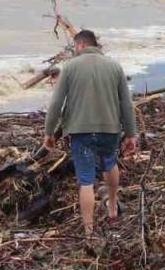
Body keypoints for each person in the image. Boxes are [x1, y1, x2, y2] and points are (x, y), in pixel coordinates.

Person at [42, 30, 138, 234]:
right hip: (109, 129)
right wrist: (131, 134)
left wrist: (49, 132)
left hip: (81, 131)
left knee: (86, 180)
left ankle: (89, 230)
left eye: (75, 47)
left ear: (81, 45)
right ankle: (112, 205)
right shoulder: (114, 66)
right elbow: (126, 104)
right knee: (109, 163)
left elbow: (56, 103)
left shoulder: (69, 67)